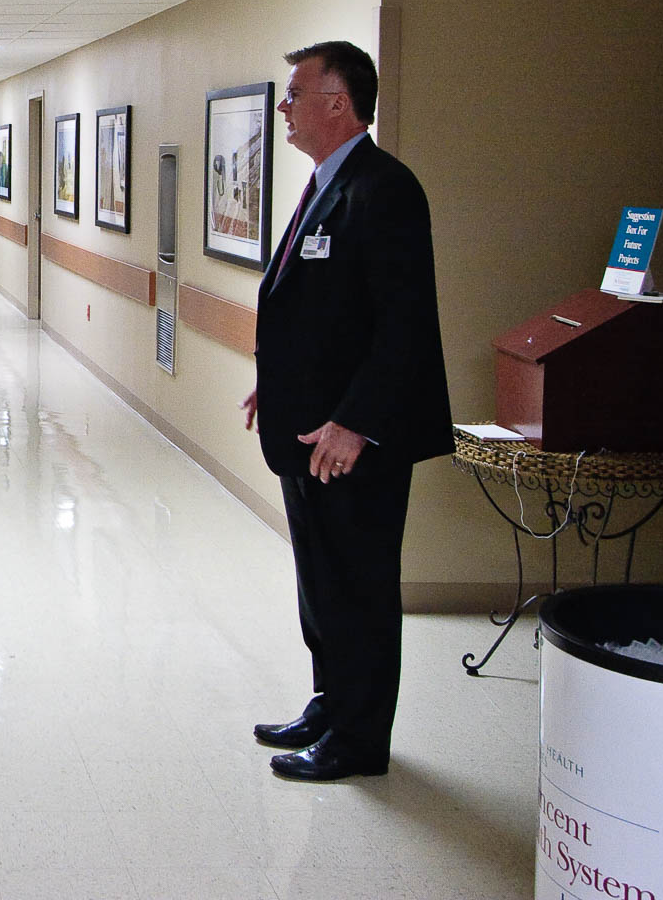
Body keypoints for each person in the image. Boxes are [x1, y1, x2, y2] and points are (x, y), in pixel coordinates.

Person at [243, 40, 452, 782]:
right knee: (321, 582)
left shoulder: (383, 188)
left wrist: (356, 422)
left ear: (338, 102)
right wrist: (277, 384)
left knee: (359, 587)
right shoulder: (325, 185)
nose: (285, 107)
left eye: (295, 92)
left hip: (351, 442)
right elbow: (324, 313)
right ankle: (330, 702)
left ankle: (360, 740)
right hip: (305, 429)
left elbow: (403, 325)